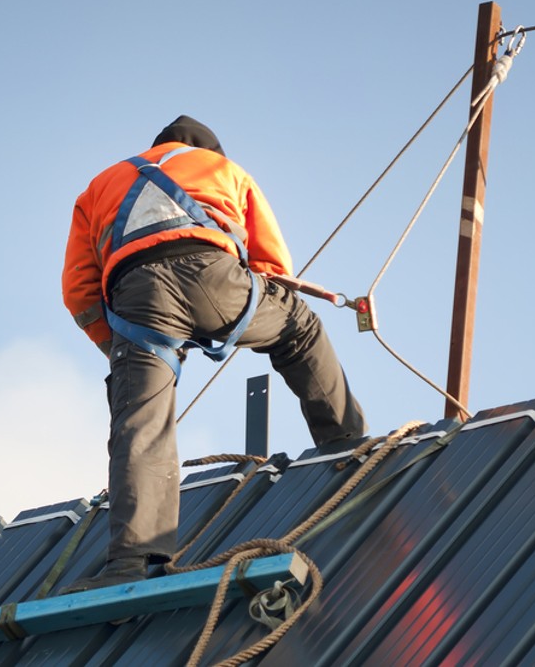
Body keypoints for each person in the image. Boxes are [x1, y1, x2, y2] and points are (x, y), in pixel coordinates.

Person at [60, 115, 367, 592]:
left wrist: (121, 350)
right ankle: (346, 446)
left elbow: (79, 290)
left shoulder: (100, 185)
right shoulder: (226, 170)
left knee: (140, 422)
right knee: (299, 328)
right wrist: (243, 308)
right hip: (215, 275)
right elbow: (273, 268)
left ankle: (131, 562)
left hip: (138, 298)